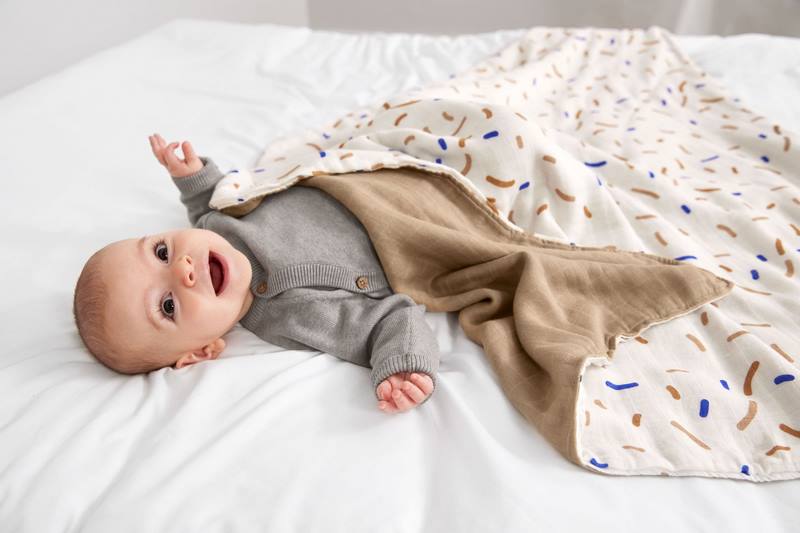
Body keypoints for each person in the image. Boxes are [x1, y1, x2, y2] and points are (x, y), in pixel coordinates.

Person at [72, 134, 440, 413]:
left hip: (354, 164)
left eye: (162, 252)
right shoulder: (296, 316)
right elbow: (391, 319)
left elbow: (209, 208)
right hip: (413, 207)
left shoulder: (217, 230)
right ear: (201, 352)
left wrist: (193, 178)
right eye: (168, 306)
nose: (183, 267)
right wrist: (402, 366)